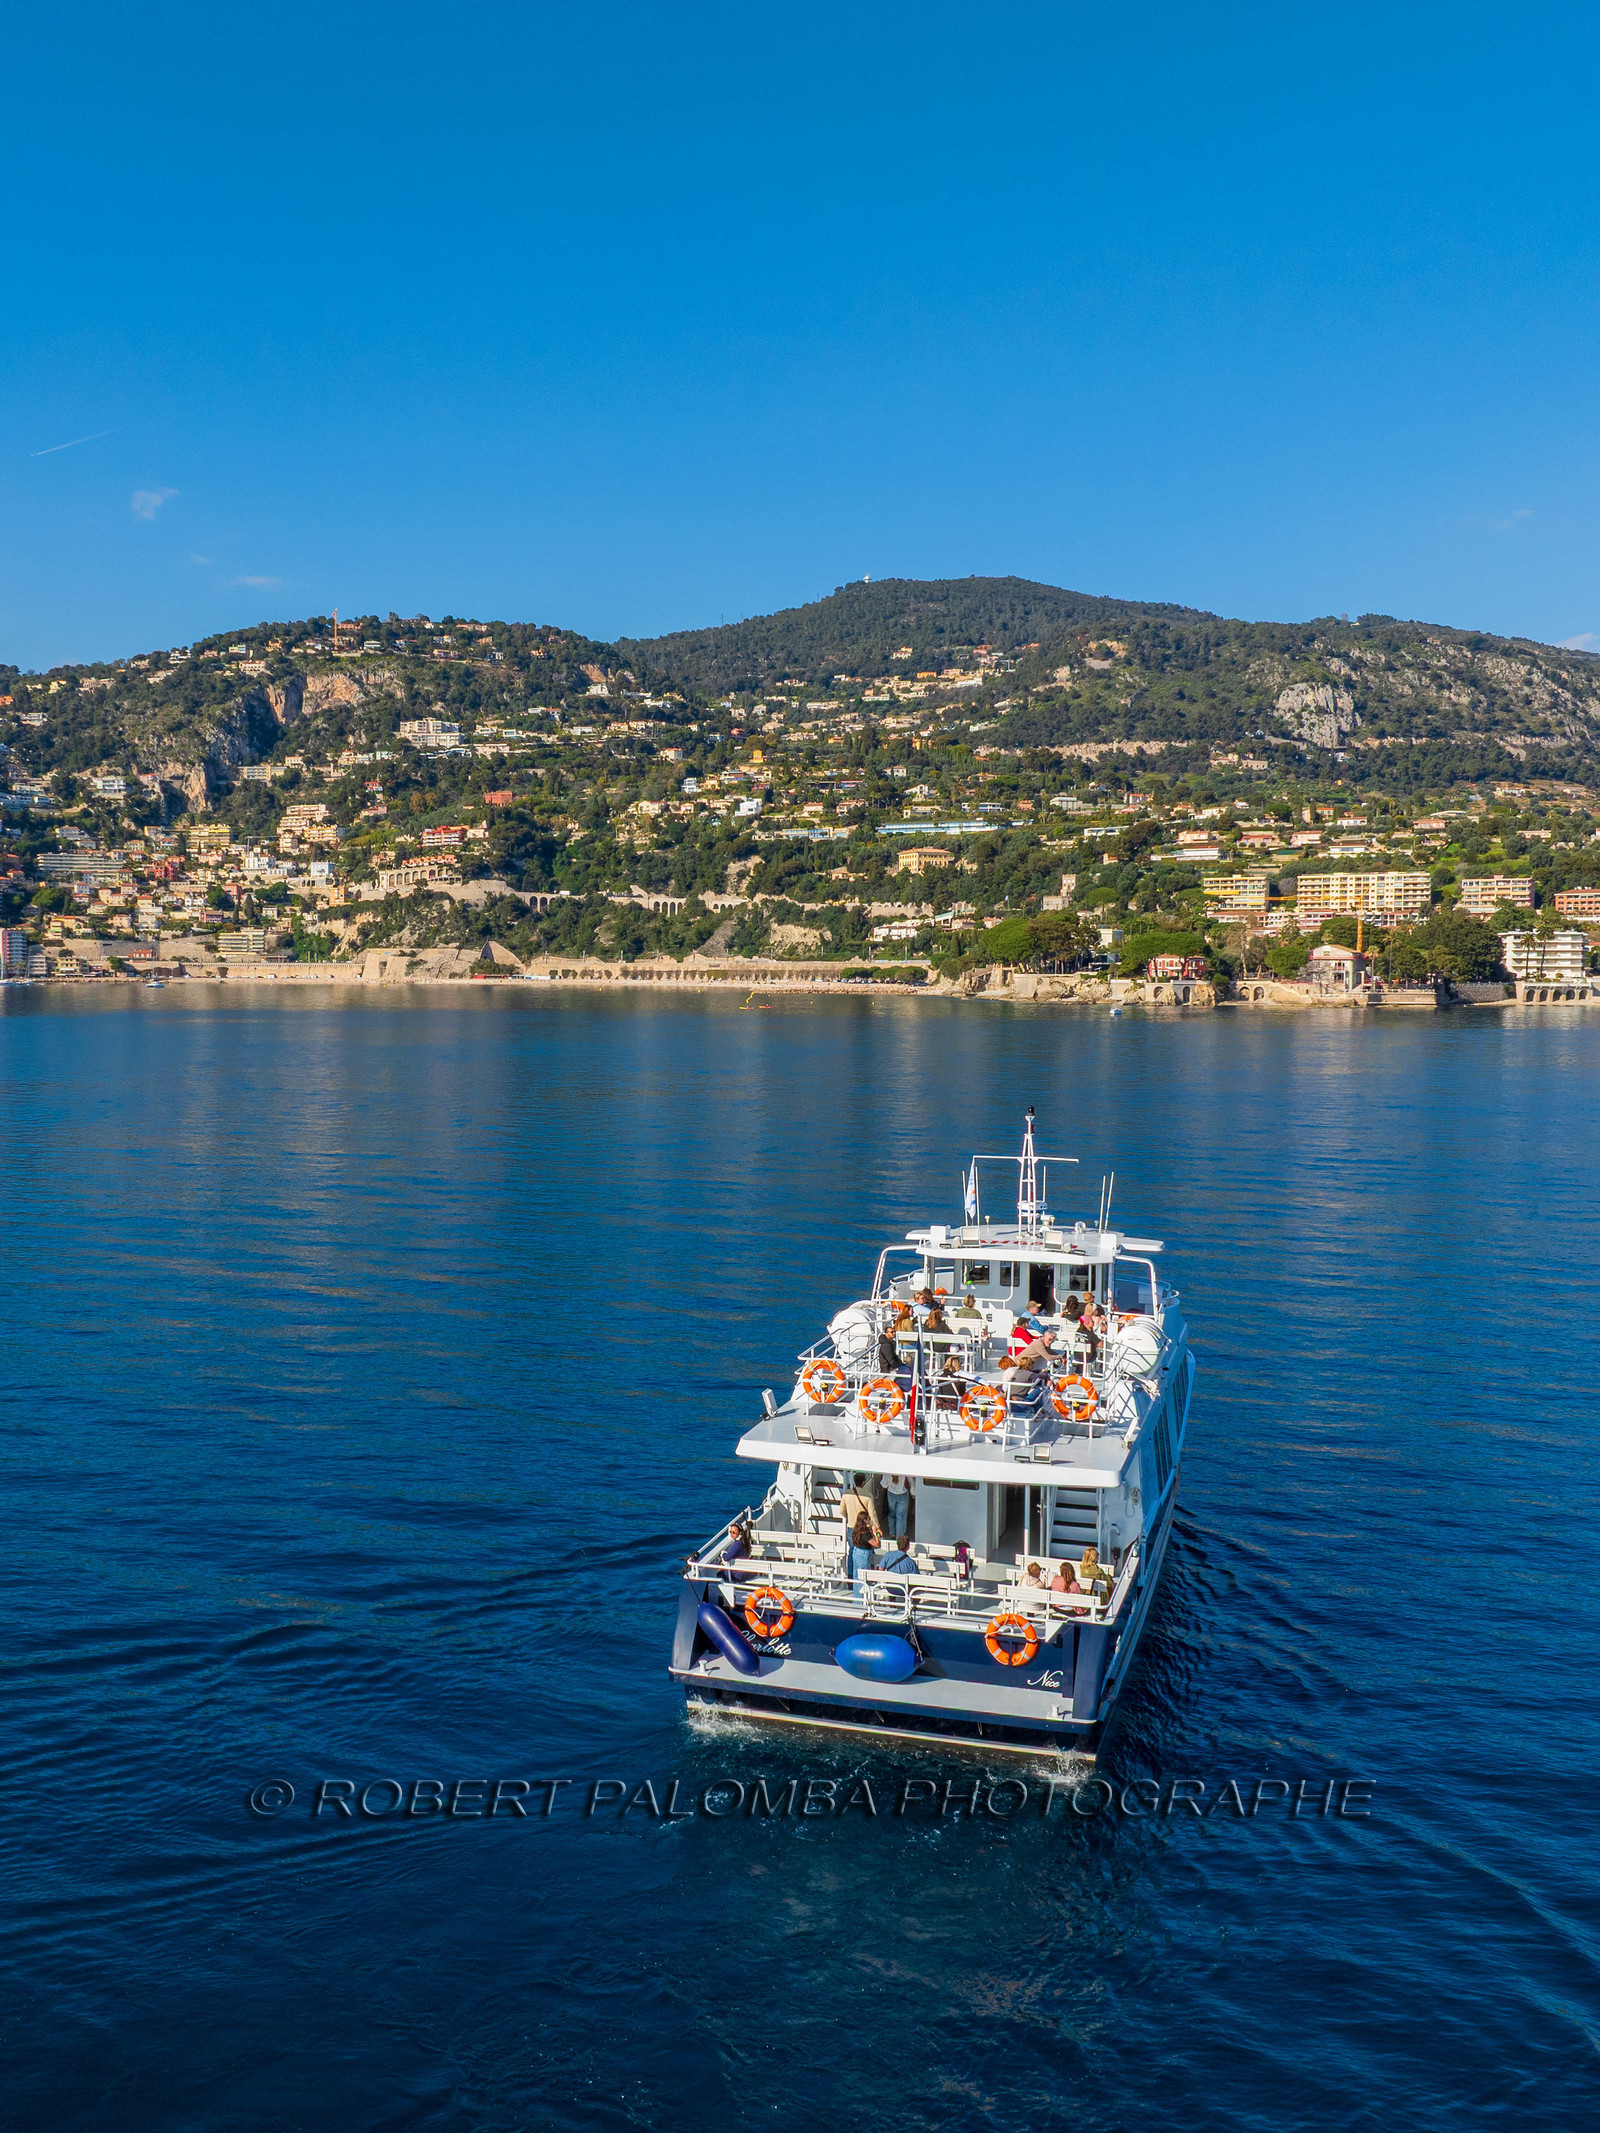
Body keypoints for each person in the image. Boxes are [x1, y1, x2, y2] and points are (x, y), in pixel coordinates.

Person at [847, 1508, 878, 1590]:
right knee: (863, 1577)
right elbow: (876, 1544)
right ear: (865, 1520)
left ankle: (857, 1597)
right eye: (868, 1518)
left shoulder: (855, 1529)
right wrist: (875, 1533)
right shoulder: (865, 1532)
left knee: (856, 1576)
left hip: (856, 1552)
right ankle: (863, 1596)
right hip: (864, 1554)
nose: (870, 1520)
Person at [884, 1474, 910, 1540]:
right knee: (901, 1516)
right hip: (903, 1494)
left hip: (891, 1494)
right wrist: (913, 1493)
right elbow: (910, 1481)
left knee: (891, 1514)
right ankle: (900, 1537)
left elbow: (884, 1485)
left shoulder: (888, 1471)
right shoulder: (904, 1470)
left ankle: (892, 1534)